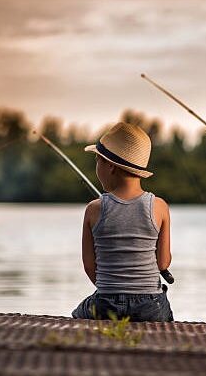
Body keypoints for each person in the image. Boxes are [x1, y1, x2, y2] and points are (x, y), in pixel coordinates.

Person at [72, 122, 173, 322]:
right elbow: (163, 262)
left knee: (78, 314)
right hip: (151, 305)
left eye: (97, 160)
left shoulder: (93, 209)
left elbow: (89, 266)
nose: (96, 166)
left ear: (109, 166)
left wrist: (111, 291)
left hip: (106, 303)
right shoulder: (159, 207)